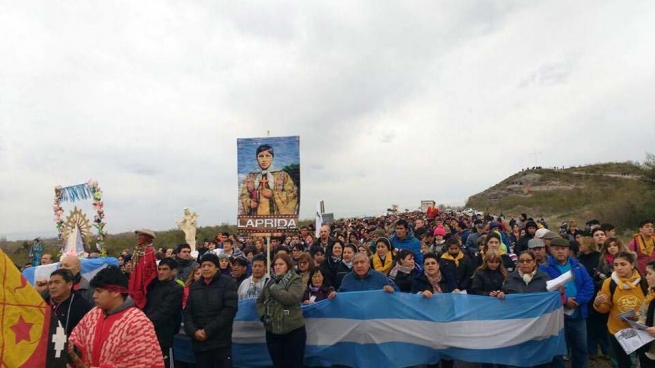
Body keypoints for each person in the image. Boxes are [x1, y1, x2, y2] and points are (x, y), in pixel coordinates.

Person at [67, 266, 164, 368]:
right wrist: (73, 349)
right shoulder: (93, 314)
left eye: (99, 291)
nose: (94, 295)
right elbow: (77, 339)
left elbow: (140, 363)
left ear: (116, 292)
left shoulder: (138, 322)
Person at [540, 237, 594, 368]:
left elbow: (589, 286)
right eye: (556, 249)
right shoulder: (544, 268)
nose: (560, 252)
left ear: (568, 250)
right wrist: (564, 301)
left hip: (578, 314)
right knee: (558, 351)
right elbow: (544, 291)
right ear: (550, 250)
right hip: (557, 316)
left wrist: (578, 300)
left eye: (563, 249)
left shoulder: (579, 266)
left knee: (580, 348)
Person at [594, 251, 648, 367]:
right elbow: (604, 309)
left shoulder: (644, 282)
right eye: (616, 265)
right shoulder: (609, 283)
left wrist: (640, 315)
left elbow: (651, 306)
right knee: (623, 363)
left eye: (623, 264)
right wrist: (597, 303)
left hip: (642, 331)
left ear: (632, 265)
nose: (619, 268)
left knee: (644, 362)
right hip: (618, 331)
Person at [184, 253, 238, 368]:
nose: (206, 268)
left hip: (220, 342)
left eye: (209, 265)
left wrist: (207, 331)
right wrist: (194, 332)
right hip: (199, 343)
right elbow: (188, 313)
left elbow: (229, 310)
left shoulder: (228, 283)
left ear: (217, 267)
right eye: (203, 265)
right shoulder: (194, 287)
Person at [257, 254, 306, 368]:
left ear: (288, 266)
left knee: (294, 364)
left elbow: (291, 298)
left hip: (292, 331)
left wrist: (273, 287)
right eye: (275, 264)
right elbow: (260, 301)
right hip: (273, 330)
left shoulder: (296, 279)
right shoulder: (270, 281)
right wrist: (262, 315)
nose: (277, 267)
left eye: (281, 264)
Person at [144, 258, 184, 368]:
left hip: (164, 336)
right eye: (159, 269)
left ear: (174, 271)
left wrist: (144, 324)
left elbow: (165, 311)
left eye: (165, 269)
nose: (161, 272)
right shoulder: (151, 286)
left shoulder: (176, 288)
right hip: (147, 335)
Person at [240, 144, 298, 216]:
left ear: (272, 158)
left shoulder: (282, 175)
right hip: (256, 217)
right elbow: (244, 195)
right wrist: (249, 202)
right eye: (261, 156)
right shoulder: (251, 177)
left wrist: (273, 194)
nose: (264, 160)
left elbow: (292, 195)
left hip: (276, 218)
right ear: (257, 158)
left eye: (267, 156)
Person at [45, 269, 92, 336]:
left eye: (57, 282)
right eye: (50, 283)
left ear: (69, 285)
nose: (52, 287)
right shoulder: (44, 301)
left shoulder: (81, 306)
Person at [130, 229, 159, 310]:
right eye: (138, 236)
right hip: (135, 278)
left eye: (140, 236)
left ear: (146, 238)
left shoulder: (149, 250)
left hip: (143, 280)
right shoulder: (137, 249)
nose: (138, 238)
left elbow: (149, 268)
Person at [637, 261, 655, 367]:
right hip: (647, 347)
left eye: (650, 273)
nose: (646, 277)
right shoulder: (651, 292)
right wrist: (639, 322)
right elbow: (643, 312)